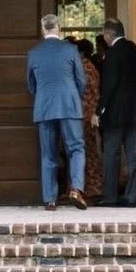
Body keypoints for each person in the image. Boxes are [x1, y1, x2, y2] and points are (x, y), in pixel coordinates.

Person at [26, 13, 88, 210]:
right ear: (58, 28)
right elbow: (82, 80)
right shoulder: (70, 50)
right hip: (69, 105)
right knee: (76, 148)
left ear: (43, 29)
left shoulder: (34, 53)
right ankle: (76, 189)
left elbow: (30, 84)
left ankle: (50, 199)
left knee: (48, 153)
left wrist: (44, 95)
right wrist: (73, 96)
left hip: (45, 107)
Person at [98, 19, 136, 205]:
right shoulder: (133, 49)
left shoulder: (112, 54)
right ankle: (133, 195)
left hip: (115, 115)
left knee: (112, 156)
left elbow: (109, 85)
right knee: (133, 156)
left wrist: (99, 110)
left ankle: (110, 196)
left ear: (108, 35)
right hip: (134, 112)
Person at [75, 38, 104, 200]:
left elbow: (89, 93)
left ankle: (92, 187)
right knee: (89, 150)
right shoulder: (88, 67)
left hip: (85, 114)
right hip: (87, 113)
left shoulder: (84, 67)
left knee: (89, 152)